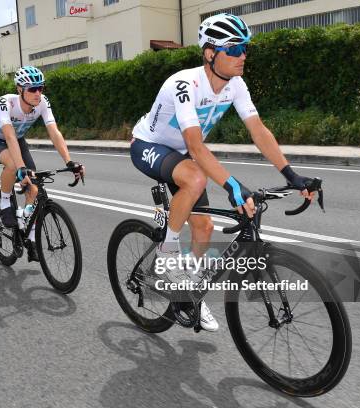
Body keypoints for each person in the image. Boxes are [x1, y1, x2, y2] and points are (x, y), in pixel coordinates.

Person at [130, 13, 315, 332]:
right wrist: (232, 185)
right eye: (235, 48)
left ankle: (188, 295)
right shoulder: (185, 84)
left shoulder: (236, 86)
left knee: (204, 227)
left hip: (184, 154)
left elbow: (259, 131)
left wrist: (291, 175)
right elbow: (196, 146)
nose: (243, 55)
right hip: (148, 144)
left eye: (245, 48)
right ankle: (166, 255)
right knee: (195, 177)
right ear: (210, 53)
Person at [0, 65, 85, 262]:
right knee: (13, 166)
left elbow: (54, 132)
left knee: (34, 187)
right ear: (20, 89)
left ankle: (29, 237)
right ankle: (5, 202)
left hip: (18, 141)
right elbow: (9, 136)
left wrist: (70, 161)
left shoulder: (42, 103)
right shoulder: (6, 103)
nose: (38, 93)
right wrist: (21, 168)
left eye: (41, 88)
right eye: (32, 89)